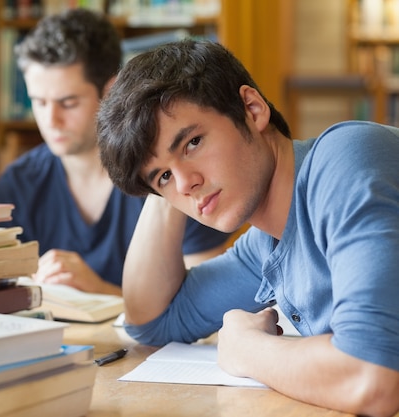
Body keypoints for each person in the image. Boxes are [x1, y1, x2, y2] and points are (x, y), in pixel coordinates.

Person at [96, 38, 399, 416]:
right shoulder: (267, 243)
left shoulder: (346, 160)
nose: (185, 183)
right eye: (161, 178)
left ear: (252, 109)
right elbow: (154, 322)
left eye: (192, 142)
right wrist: (169, 183)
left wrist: (247, 350)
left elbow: (372, 377)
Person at [0, 9, 230, 296]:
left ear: (110, 92)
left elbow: (204, 308)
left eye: (67, 103)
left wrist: (98, 292)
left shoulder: (168, 177)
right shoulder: (17, 184)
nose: (51, 120)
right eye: (39, 102)